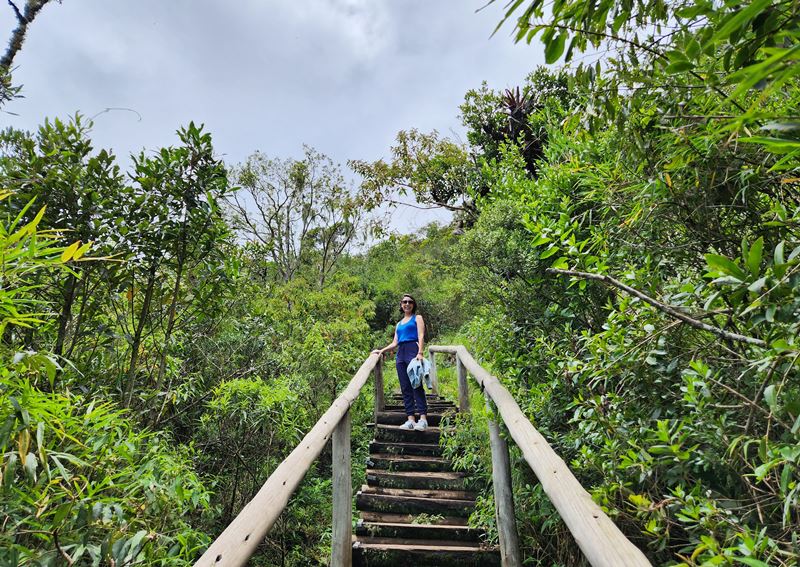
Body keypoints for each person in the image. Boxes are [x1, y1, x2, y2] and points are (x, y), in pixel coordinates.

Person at [372, 294, 428, 431]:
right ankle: (410, 419)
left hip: (413, 351)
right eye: (404, 302)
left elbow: (421, 335)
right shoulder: (398, 324)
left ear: (413, 304)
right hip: (401, 354)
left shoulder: (417, 318)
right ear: (401, 305)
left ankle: (423, 419)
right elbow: (395, 343)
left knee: (416, 385)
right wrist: (381, 350)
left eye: (410, 302)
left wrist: (420, 352)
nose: (407, 304)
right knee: (405, 387)